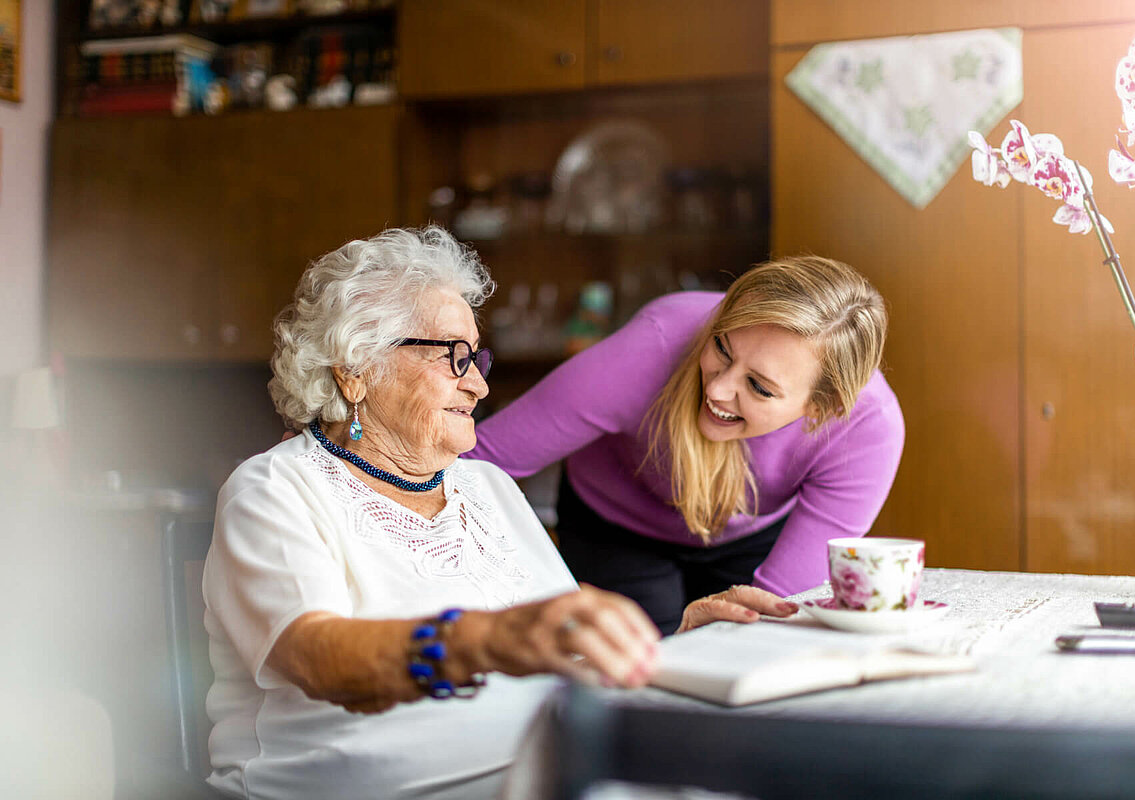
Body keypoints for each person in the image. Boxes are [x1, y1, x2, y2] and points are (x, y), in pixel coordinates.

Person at [202, 226, 797, 800]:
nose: (480, 389)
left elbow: (562, 654)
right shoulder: (277, 488)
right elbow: (318, 656)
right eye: (453, 358)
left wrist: (672, 646)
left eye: (475, 361)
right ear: (356, 372)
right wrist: (485, 639)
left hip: (545, 778)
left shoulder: (486, 487)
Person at [468, 256, 904, 634]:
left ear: (821, 408)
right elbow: (475, 460)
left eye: (758, 387)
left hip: (751, 534)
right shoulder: (654, 344)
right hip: (616, 525)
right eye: (722, 347)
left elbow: (775, 612)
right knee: (632, 674)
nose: (718, 390)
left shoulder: (867, 429)